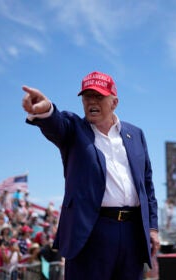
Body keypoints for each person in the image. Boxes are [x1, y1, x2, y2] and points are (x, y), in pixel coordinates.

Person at [22, 71, 160, 280]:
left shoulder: (136, 134)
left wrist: (152, 227)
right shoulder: (74, 129)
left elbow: (147, 186)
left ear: (114, 102)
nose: (92, 102)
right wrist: (46, 110)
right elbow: (56, 123)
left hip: (133, 233)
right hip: (91, 231)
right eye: (87, 97)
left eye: (99, 96)